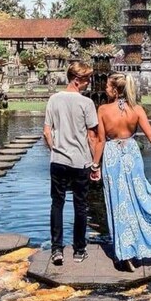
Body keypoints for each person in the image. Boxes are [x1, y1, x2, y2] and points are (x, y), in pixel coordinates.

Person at [91, 73, 151, 271]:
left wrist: (94, 166)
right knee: (135, 201)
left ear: (115, 90)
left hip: (112, 156)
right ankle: (135, 248)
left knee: (117, 203)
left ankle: (124, 253)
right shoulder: (137, 109)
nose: (105, 89)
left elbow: (100, 140)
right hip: (132, 154)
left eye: (108, 86)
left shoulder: (103, 109)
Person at [43, 61, 98, 266]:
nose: (89, 83)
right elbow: (92, 137)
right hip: (80, 161)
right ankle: (79, 250)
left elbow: (47, 132)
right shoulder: (86, 103)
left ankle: (56, 249)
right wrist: (95, 164)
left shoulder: (54, 99)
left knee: (57, 204)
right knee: (80, 206)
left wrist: (55, 150)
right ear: (77, 80)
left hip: (58, 160)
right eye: (86, 79)